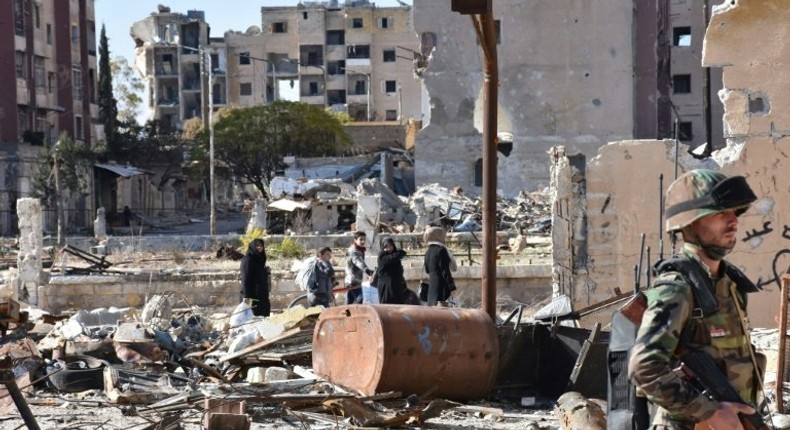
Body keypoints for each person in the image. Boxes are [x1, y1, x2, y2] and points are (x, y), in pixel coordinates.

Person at [628, 169, 761, 430]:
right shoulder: (677, 287)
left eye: (735, 212)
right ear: (689, 222)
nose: (733, 221)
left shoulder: (729, 283)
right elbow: (644, 367)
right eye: (721, 213)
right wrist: (708, 412)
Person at [423, 226, 457, 306]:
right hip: (442, 287)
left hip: (432, 286)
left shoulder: (428, 251)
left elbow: (427, 270)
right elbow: (445, 271)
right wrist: (452, 287)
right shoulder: (441, 250)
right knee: (443, 312)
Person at [240, 238, 271, 317]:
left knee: (264, 317)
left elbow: (258, 274)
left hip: (262, 296)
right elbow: (245, 279)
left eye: (261, 246)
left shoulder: (261, 259)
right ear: (253, 247)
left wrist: (266, 271)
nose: (260, 247)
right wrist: (246, 298)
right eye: (257, 246)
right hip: (252, 297)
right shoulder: (247, 260)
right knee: (250, 318)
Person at [374, 237, 408, 304]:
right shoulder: (382, 256)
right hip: (386, 287)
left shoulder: (396, 255)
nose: (389, 248)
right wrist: (399, 253)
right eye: (386, 247)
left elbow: (402, 253)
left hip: (397, 286)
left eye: (390, 246)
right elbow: (393, 257)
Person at [345, 231, 374, 305]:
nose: (363, 241)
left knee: (349, 302)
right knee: (360, 298)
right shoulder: (353, 251)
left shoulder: (360, 250)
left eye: (364, 239)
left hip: (356, 280)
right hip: (352, 280)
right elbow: (357, 261)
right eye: (360, 239)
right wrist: (366, 269)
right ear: (355, 240)